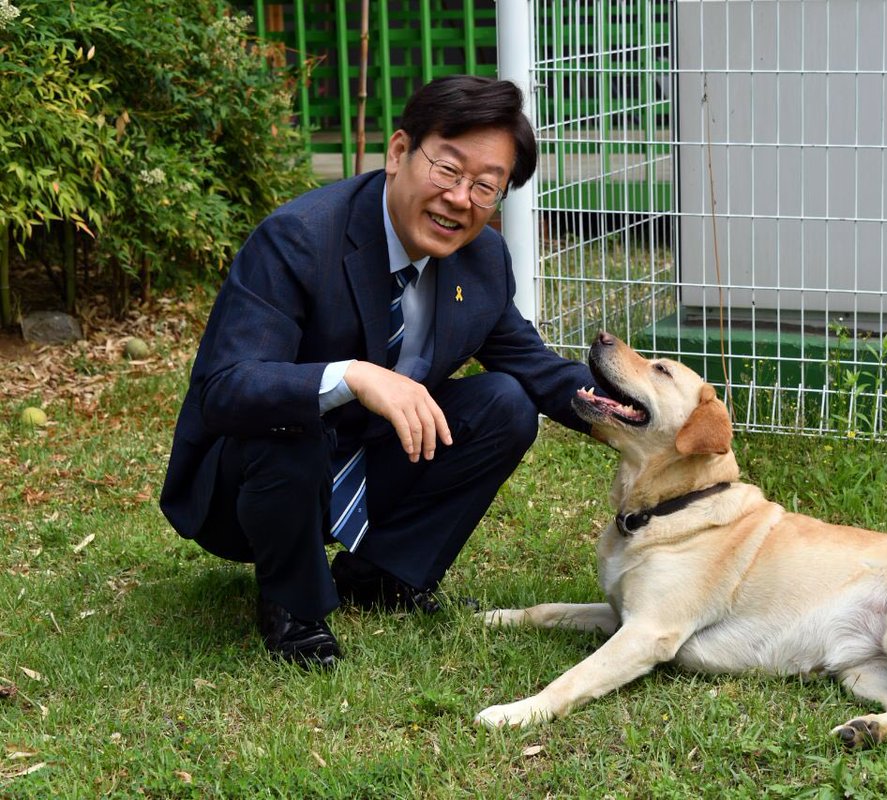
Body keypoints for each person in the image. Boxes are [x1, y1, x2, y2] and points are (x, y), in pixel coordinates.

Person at [160, 75, 598, 668]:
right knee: (298, 416)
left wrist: (637, 412)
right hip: (250, 483)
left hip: (366, 459)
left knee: (505, 403)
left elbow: (537, 371)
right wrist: (352, 376)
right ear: (398, 153)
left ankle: (384, 575)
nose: (460, 199)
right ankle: (295, 608)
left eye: (485, 187)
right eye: (447, 169)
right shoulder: (299, 239)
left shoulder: (483, 259)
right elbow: (227, 387)